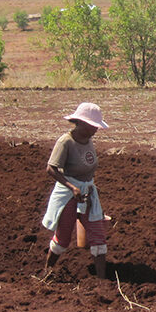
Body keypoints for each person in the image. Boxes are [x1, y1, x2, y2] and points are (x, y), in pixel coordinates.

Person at [42, 102, 110, 279]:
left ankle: (102, 280)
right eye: (93, 126)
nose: (96, 130)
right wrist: (72, 187)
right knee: (63, 238)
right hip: (68, 194)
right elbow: (51, 169)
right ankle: (47, 271)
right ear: (82, 123)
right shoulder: (66, 142)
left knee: (98, 236)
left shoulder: (88, 141)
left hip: (87, 193)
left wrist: (86, 188)